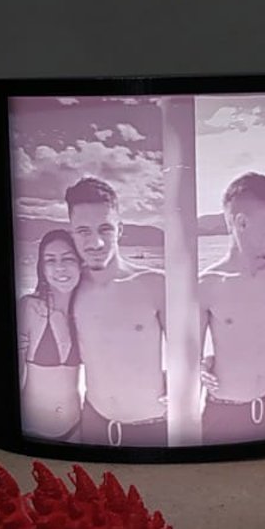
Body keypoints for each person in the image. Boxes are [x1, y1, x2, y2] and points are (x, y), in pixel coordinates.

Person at [64, 176, 168, 446]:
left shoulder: (154, 284)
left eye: (105, 229)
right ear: (72, 231)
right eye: (84, 231)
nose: (96, 243)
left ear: (120, 229)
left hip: (153, 425)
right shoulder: (70, 289)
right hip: (95, 421)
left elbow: (190, 350)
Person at [197, 172, 265, 443]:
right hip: (224, 415)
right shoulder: (207, 284)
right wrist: (200, 368)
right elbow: (189, 354)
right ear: (241, 222)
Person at [17, 229, 84, 440]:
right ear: (42, 268)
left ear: (81, 263)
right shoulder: (30, 309)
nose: (60, 267)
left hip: (76, 429)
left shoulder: (86, 311)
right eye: (50, 260)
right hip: (31, 432)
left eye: (68, 258)